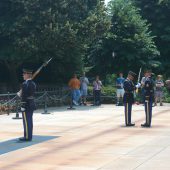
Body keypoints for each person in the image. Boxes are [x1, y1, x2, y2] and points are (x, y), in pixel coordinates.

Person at [17, 69, 36, 142]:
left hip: (26, 105)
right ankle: (29, 136)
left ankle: (27, 137)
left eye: (24, 74)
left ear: (28, 75)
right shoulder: (33, 83)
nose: (23, 75)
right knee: (29, 121)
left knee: (26, 121)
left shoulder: (25, 84)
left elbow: (24, 96)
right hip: (31, 104)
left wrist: (23, 105)